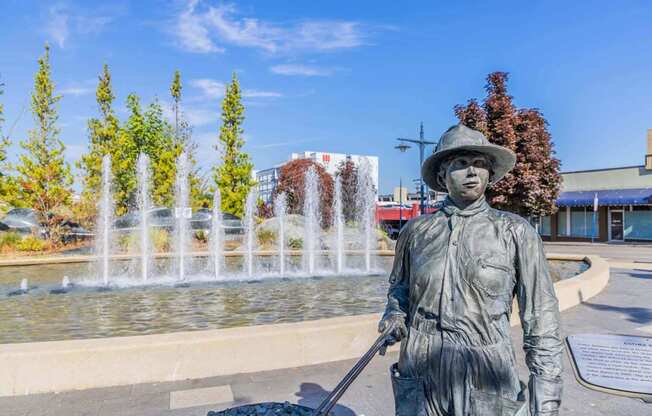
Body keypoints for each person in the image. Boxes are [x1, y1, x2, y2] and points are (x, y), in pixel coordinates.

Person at [379, 124, 563, 416]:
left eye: (480, 164)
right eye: (461, 164)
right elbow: (399, 288)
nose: (472, 172)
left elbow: (540, 314)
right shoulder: (416, 232)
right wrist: (394, 315)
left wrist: (547, 386)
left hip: (487, 367)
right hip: (421, 362)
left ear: (490, 174)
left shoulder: (516, 232)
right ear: (442, 174)